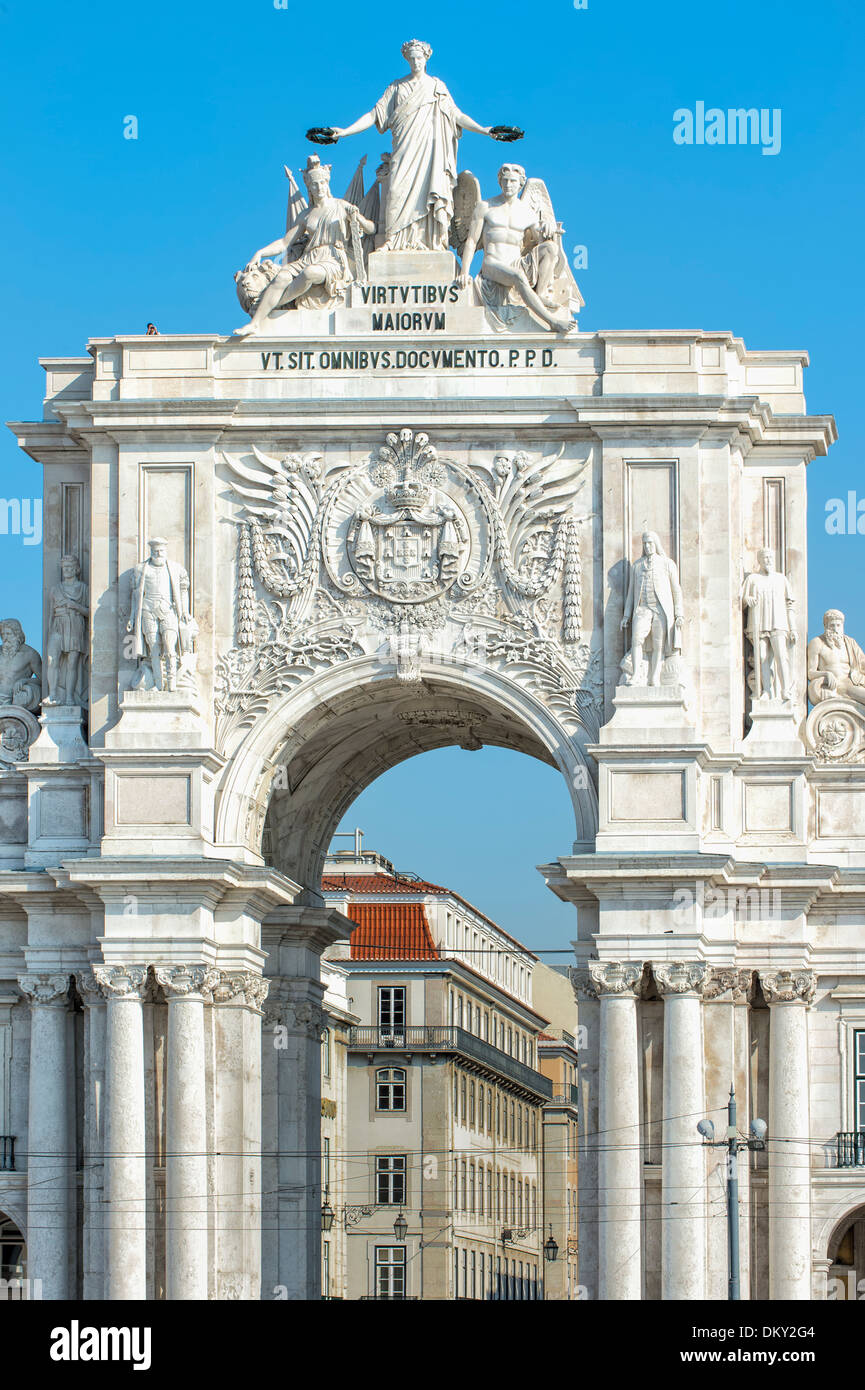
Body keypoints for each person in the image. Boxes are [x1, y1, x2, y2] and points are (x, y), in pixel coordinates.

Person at [329, 39, 495, 252]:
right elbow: (373, 115)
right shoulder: (396, 88)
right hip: (404, 150)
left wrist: (483, 129)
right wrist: (344, 132)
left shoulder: (436, 87)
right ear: (407, 60)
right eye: (412, 58)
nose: (415, 62)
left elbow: (457, 116)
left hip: (430, 153)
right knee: (396, 190)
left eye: (419, 58)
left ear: (426, 59)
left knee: (430, 192)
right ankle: (393, 239)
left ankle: (431, 241)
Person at [235, 157, 375, 336]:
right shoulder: (306, 215)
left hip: (332, 258)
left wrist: (358, 218)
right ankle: (255, 323)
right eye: (315, 185)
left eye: (322, 183)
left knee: (311, 273)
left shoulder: (341, 206)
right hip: (309, 257)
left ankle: (270, 304)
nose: (319, 188)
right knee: (282, 276)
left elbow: (372, 228)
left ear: (327, 183)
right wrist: (259, 253)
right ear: (309, 187)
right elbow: (285, 242)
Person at [456, 164, 573, 332]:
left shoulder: (527, 212)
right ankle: (552, 321)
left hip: (515, 263)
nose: (508, 185)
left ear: (520, 184)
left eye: (512, 181)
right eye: (505, 181)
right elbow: (472, 241)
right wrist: (464, 273)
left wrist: (548, 226)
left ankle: (539, 295)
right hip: (492, 264)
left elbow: (540, 240)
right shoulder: (485, 207)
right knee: (518, 276)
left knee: (550, 248)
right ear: (499, 182)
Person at [127, 538, 191, 692]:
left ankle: (172, 681)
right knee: (154, 649)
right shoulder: (141, 569)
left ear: (165, 551)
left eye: (160, 550)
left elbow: (183, 591)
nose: (158, 553)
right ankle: (159, 684)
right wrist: (131, 617)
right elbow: (136, 596)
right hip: (148, 611)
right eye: (155, 551)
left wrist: (184, 612)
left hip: (168, 610)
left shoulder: (176, 569)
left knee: (170, 647)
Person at [621, 532, 684, 687]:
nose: (647, 546)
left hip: (660, 610)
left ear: (656, 544)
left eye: (650, 543)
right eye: (645, 543)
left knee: (658, 645)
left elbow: (676, 590)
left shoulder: (667, 564)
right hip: (642, 609)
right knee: (636, 639)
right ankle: (636, 674)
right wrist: (626, 615)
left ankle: (654, 677)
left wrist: (679, 613)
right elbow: (630, 593)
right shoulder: (637, 566)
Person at [742, 548, 796, 701]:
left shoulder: (781, 579)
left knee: (781, 655)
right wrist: (748, 600)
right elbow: (742, 600)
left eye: (770, 557)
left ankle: (786, 689)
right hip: (759, 622)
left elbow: (790, 604)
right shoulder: (752, 579)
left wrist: (793, 628)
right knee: (762, 656)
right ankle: (766, 690)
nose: (768, 560)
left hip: (778, 621)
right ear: (759, 560)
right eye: (765, 558)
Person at [46, 554, 88, 705]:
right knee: (52, 660)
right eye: (65, 568)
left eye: (70, 567)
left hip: (75, 624)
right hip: (58, 625)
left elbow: (89, 612)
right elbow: (51, 613)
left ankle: (70, 696)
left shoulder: (83, 588)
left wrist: (75, 606)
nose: (67, 570)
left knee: (72, 663)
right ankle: (52, 694)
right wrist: (50, 631)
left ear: (76, 569)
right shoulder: (55, 589)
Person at [807, 609, 865, 707]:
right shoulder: (817, 643)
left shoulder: (850, 643)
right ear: (825, 626)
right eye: (832, 625)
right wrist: (826, 674)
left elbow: (862, 664)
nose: (835, 629)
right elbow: (810, 673)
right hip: (838, 685)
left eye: (838, 625)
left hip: (854, 682)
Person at [0, 619, 42, 710]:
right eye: (3, 634)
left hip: (15, 698)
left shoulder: (30, 654)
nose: (5, 638)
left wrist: (25, 681)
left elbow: (43, 680)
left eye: (8, 634)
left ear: (17, 634)